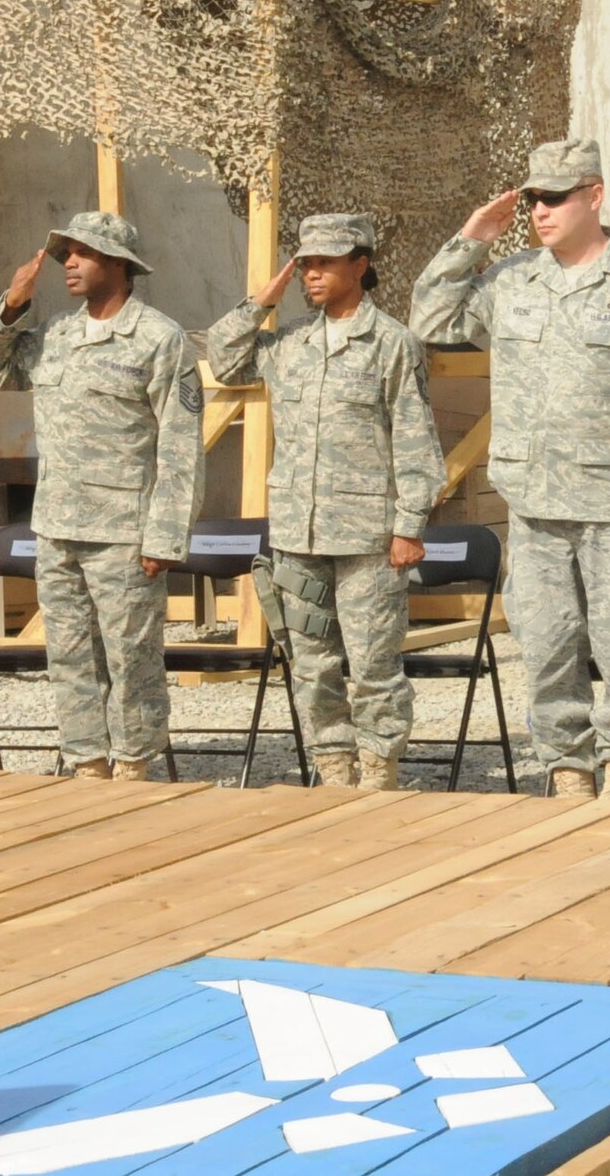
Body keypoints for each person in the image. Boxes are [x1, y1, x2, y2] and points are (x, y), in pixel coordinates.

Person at [412, 140, 610, 799]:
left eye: (554, 197)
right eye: (532, 199)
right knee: (546, 647)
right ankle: (567, 773)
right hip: (536, 504)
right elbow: (430, 317)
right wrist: (471, 239)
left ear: (594, 195)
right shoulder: (513, 279)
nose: (539, 211)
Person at [208, 213, 443, 791]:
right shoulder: (288, 343)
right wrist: (260, 303)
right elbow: (223, 358)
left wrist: (410, 525)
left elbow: (417, 441)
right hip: (297, 533)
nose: (311, 273)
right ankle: (334, 768)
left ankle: (380, 771)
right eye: (305, 263)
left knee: (372, 667)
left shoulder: (391, 343)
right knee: (311, 666)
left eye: (324, 263)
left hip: (369, 536)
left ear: (360, 266)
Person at [0, 212, 203, 781]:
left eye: (84, 254)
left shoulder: (158, 338)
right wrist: (11, 304)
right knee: (71, 657)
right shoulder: (54, 333)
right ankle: (86, 764)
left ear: (120, 265)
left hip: (124, 532)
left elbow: (180, 446)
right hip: (56, 528)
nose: (69, 264)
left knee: (132, 660)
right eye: (66, 254)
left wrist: (166, 536)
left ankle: (133, 766)